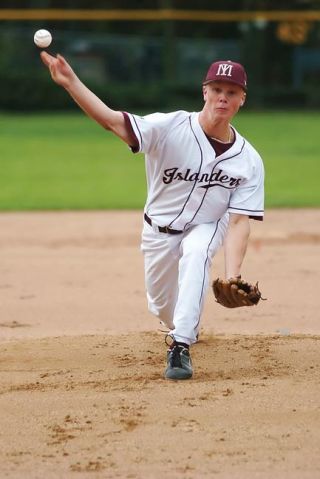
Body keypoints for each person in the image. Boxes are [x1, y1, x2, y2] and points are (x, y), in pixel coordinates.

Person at [41, 52, 264, 381]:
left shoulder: (249, 160)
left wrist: (233, 274)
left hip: (207, 224)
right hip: (157, 232)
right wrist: (72, 83)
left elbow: (239, 221)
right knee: (162, 307)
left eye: (231, 92)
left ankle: (180, 347)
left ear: (242, 99)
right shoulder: (168, 126)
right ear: (204, 92)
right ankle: (181, 325)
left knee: (198, 252)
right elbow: (113, 121)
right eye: (217, 89)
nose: (223, 97)